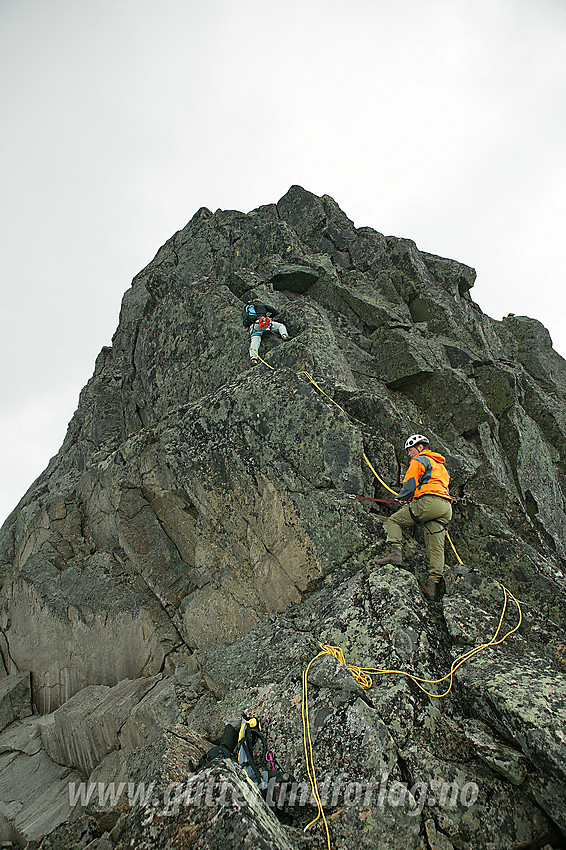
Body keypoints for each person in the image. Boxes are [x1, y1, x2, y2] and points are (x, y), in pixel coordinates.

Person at [377, 434, 452, 601]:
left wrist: (400, 497)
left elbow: (410, 482)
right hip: (445, 507)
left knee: (394, 520)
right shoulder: (440, 465)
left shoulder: (419, 460)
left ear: (419, 447)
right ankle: (432, 585)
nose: (409, 454)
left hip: (429, 502)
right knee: (436, 547)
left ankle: (395, 553)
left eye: (410, 450)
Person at [243, 298, 289, 365]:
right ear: (260, 303)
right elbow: (275, 312)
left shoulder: (249, 310)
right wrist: (270, 317)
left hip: (254, 327)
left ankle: (254, 359)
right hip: (263, 323)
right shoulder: (263, 306)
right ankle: (284, 335)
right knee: (280, 326)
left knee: (255, 342)